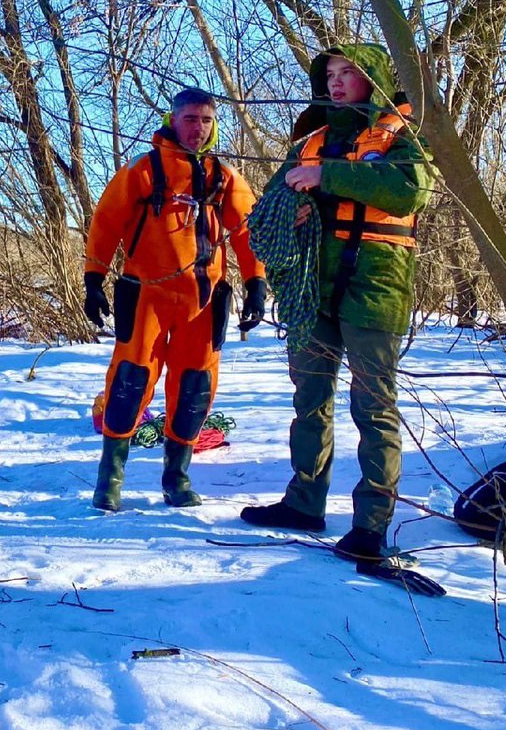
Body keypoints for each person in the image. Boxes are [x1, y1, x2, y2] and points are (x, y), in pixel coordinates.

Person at [240, 44, 435, 562]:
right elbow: (270, 207)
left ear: (371, 76)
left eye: (348, 72)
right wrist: (293, 210)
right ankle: (305, 502)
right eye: (330, 74)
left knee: (373, 409)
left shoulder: (401, 135)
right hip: (312, 291)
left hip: (376, 290)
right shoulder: (313, 139)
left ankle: (371, 526)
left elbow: (409, 192)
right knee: (310, 400)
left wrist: (327, 177)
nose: (337, 81)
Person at [83, 87, 266, 512]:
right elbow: (106, 222)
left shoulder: (225, 176)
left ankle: (177, 477)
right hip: (145, 294)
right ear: (173, 119)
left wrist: (256, 280)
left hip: (204, 300)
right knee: (130, 382)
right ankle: (109, 479)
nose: (197, 128)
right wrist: (93, 278)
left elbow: (248, 231)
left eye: (205, 120)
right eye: (189, 119)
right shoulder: (143, 171)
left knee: (194, 387)